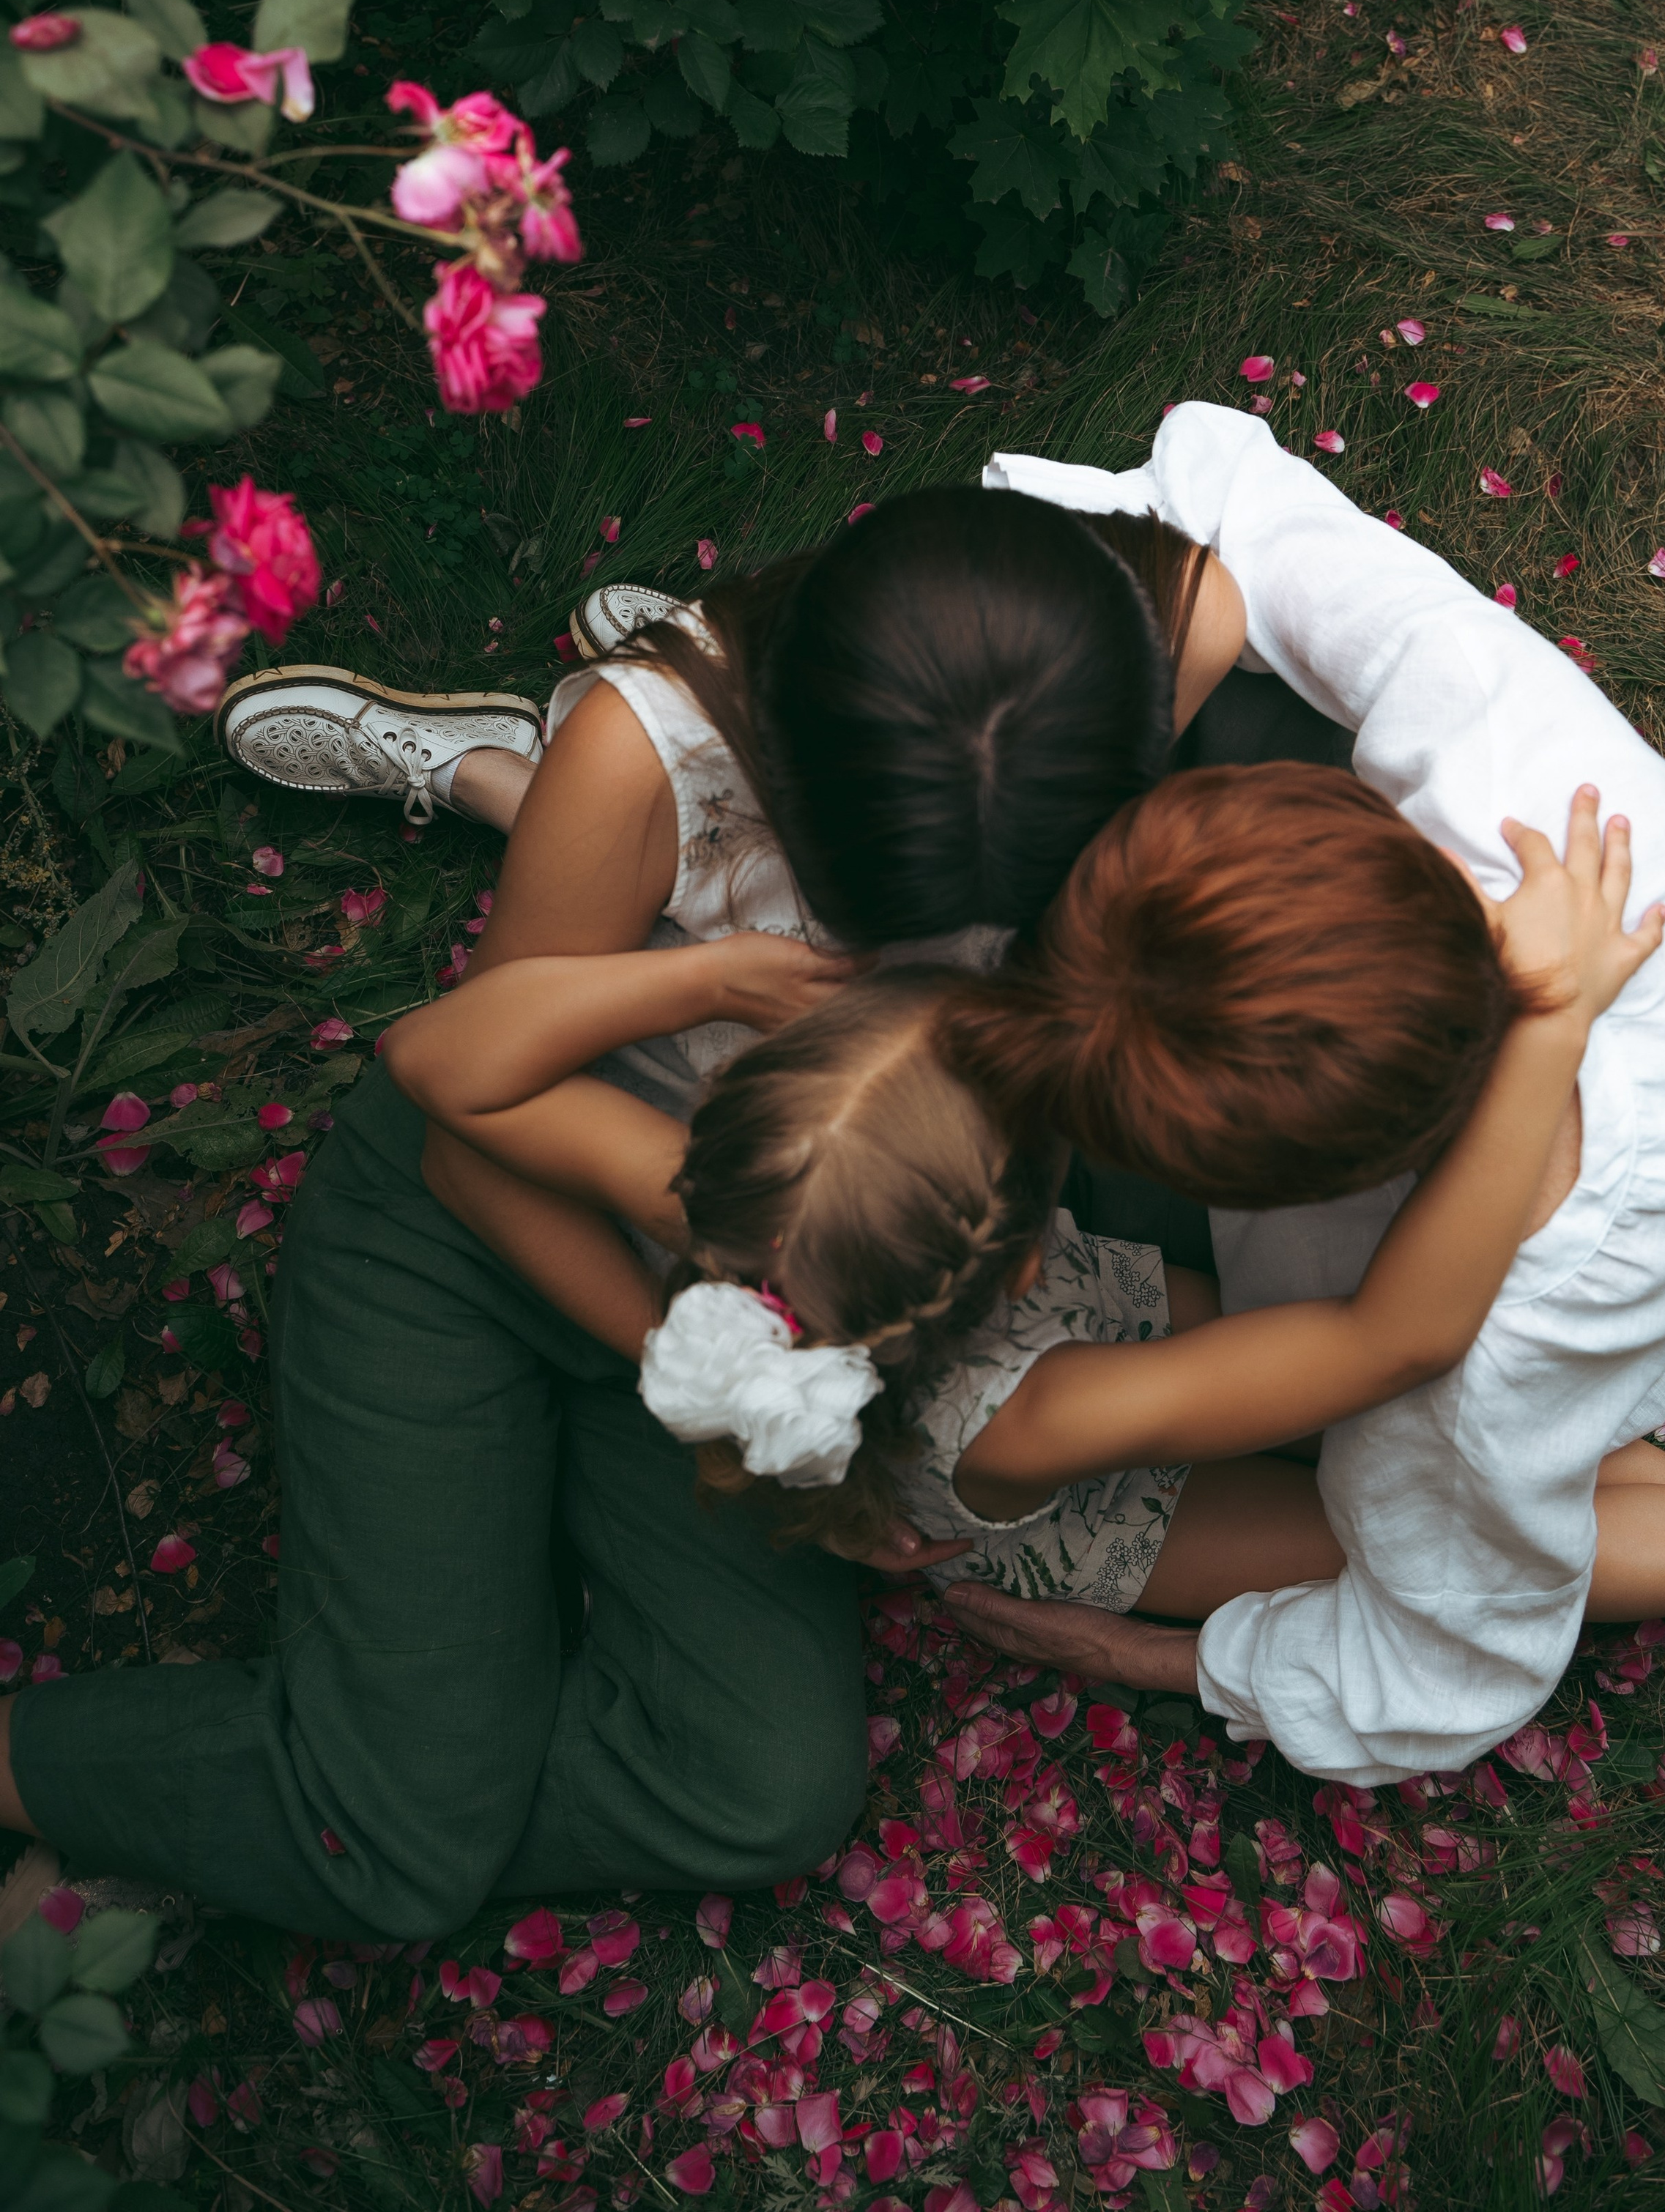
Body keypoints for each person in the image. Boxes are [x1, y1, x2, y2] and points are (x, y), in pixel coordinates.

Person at [0, 486, 1267, 1938]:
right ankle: (314, 1814)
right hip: (489, 1225)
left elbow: (1242, 594)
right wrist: (741, 1390)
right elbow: (472, 1141)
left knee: (766, 1789)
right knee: (407, 1849)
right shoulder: (641, 758)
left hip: (767, 1258)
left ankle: (318, 1810)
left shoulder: (1145, 633)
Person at [382, 784, 1665, 1658]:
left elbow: (433, 1060)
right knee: (1424, 1539)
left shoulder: (742, 1216)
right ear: (1035, 1244)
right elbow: (1390, 1335)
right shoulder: (1036, 1410)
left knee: (1478, 1438)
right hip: (1089, 1516)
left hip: (1024, 1357)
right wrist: (1548, 1018)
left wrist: (702, 980)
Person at [929, 403, 1665, 1772]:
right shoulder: (1483, 745)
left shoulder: (1478, 1375)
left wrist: (1164, 1662)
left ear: (1273, 1189)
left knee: (1406, 1496)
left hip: (1647, 1198)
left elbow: (1451, 1655)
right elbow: (1233, 505)